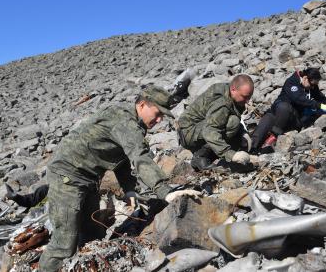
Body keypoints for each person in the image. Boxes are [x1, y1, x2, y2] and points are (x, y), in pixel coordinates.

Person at [38, 86, 199, 272]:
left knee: (93, 234)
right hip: (67, 176)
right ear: (142, 104)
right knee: (64, 243)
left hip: (87, 179)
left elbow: (120, 159)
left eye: (162, 115)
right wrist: (166, 191)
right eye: (157, 113)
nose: (159, 119)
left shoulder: (130, 120)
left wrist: (129, 188)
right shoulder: (125, 122)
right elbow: (139, 157)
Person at [177, 74, 254, 171]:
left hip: (199, 127)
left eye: (249, 97)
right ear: (233, 89)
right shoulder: (222, 103)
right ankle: (201, 156)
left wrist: (242, 131)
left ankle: (212, 152)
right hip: (188, 132)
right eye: (245, 97)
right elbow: (210, 131)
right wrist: (231, 155)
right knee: (232, 122)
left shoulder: (231, 93)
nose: (247, 101)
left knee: (235, 128)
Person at [250, 68, 326, 154]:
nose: (313, 87)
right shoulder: (291, 82)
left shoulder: (312, 86)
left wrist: (323, 106)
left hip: (294, 118)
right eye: (312, 84)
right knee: (269, 118)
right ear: (305, 78)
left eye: (315, 85)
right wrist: (318, 105)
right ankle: (251, 148)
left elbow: (321, 98)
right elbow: (298, 98)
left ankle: (272, 138)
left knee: (284, 109)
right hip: (279, 112)